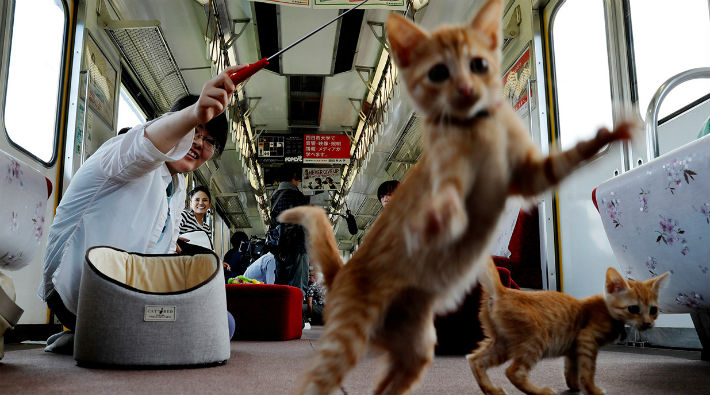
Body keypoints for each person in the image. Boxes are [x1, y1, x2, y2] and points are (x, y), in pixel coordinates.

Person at [38, 64, 245, 351]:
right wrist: (195, 112)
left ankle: (93, 337)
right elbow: (146, 144)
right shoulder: (125, 151)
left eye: (210, 141)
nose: (199, 143)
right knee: (216, 326)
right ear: (174, 123)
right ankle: (99, 336)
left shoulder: (179, 185)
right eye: (194, 131)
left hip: (124, 294)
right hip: (78, 287)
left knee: (223, 321)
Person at [268, 164, 309, 295]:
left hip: (279, 249)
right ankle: (295, 315)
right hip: (297, 247)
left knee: (281, 287)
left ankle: (282, 314)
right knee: (297, 289)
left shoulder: (275, 197)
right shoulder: (298, 196)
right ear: (294, 177)